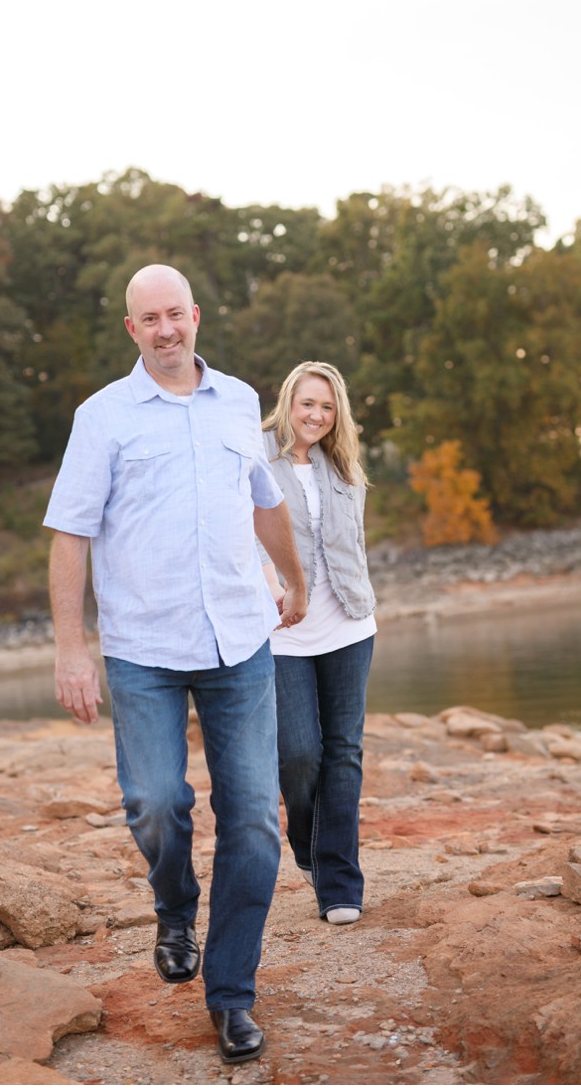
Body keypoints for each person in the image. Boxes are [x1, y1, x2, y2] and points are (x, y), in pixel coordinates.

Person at [44, 264, 307, 1066]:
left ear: (196, 315)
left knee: (255, 818)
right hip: (144, 648)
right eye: (147, 319)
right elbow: (70, 535)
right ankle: (174, 906)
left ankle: (230, 996)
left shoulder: (236, 399)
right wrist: (69, 648)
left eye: (174, 315)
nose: (164, 329)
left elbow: (264, 500)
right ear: (132, 329)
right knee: (156, 803)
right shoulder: (103, 417)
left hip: (239, 637)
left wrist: (294, 578)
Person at [260, 361, 376, 926]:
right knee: (299, 753)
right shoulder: (256, 453)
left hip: (349, 624)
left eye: (327, 407)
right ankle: (307, 845)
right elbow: (241, 529)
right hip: (281, 629)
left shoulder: (344, 462)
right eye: (308, 403)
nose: (316, 416)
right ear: (288, 401)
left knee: (344, 752)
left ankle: (338, 884)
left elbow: (352, 541)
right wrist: (271, 586)